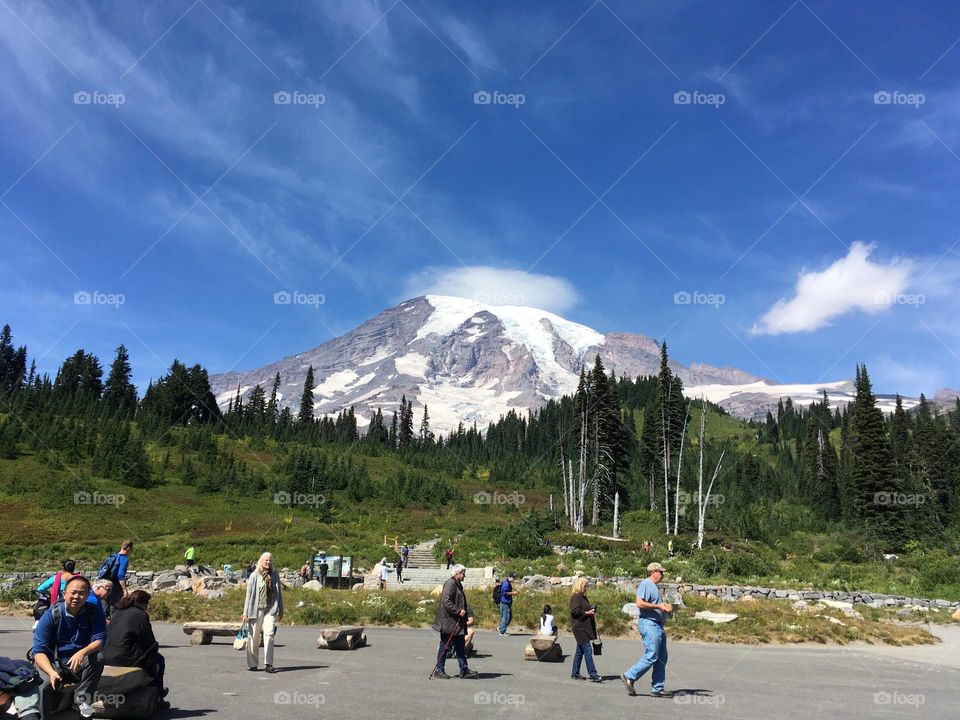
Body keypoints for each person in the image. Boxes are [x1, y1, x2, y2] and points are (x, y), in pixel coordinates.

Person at [31, 575, 106, 718]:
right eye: (73, 592)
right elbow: (39, 651)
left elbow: (99, 640)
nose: (77, 597)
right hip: (54, 664)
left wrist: (82, 652)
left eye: (82, 593)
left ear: (88, 594)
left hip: (79, 664)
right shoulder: (52, 614)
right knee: (43, 686)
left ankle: (81, 701)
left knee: (98, 657)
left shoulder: (94, 611)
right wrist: (51, 672)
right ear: (64, 594)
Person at [102, 590, 169, 711]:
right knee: (158, 659)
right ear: (143, 603)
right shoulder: (141, 615)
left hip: (106, 654)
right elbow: (148, 640)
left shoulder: (118, 612)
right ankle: (158, 694)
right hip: (124, 657)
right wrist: (154, 648)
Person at [621, 562, 673, 698]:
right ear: (653, 572)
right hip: (649, 624)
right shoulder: (646, 584)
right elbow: (640, 603)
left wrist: (667, 610)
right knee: (652, 655)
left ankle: (657, 688)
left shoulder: (655, 587)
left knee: (662, 658)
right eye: (660, 572)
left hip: (658, 625)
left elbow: (658, 607)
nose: (663, 574)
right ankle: (629, 675)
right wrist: (659, 606)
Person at [430, 565, 477, 679]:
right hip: (449, 622)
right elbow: (446, 601)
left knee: (460, 646)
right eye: (463, 573)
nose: (464, 575)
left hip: (456, 623)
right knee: (445, 646)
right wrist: (458, 611)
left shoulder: (457, 584)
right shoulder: (450, 583)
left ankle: (464, 669)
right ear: (457, 573)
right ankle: (439, 670)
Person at [242, 552, 283, 673]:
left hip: (270, 609)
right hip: (256, 609)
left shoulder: (275, 575)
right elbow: (248, 596)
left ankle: (268, 664)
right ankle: (253, 664)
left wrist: (281, 608)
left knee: (269, 634)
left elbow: (279, 593)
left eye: (270, 560)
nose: (268, 563)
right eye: (266, 560)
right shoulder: (254, 576)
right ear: (261, 561)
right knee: (253, 637)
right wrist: (245, 613)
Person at [570, 578, 601, 682]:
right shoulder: (576, 597)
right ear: (579, 586)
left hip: (584, 627)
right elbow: (575, 611)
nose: (586, 588)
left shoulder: (583, 597)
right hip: (579, 628)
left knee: (580, 651)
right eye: (584, 586)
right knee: (588, 650)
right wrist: (587, 613)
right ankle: (593, 674)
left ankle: (575, 673)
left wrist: (590, 611)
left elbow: (583, 610)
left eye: (586, 586)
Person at [100, 540, 133, 616]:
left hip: (104, 584)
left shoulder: (112, 557)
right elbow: (120, 575)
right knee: (114, 609)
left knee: (104, 609)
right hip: (115, 586)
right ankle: (114, 626)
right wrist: (125, 590)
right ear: (128, 548)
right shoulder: (124, 559)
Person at [497, 572, 519, 636]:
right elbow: (504, 593)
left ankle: (501, 627)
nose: (514, 579)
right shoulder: (506, 584)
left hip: (507, 603)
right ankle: (502, 632)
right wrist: (513, 593)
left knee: (509, 617)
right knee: (506, 617)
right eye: (513, 578)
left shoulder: (508, 583)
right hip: (505, 603)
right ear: (509, 577)